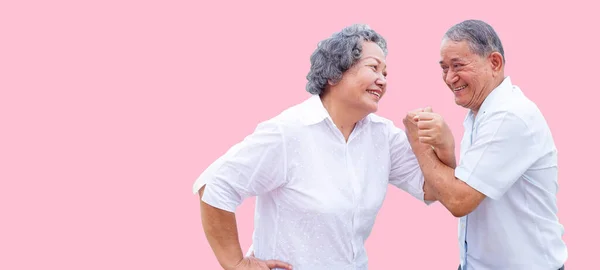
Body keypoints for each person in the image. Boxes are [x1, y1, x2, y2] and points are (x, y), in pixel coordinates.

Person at [193, 24, 454, 270]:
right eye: (373, 67)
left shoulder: (383, 135)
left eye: (385, 73)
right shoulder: (288, 132)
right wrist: (235, 263)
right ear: (334, 73)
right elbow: (215, 185)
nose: (383, 80)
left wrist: (444, 145)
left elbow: (434, 190)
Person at [402, 20, 568, 270]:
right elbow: (461, 186)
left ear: (494, 63)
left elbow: (460, 200)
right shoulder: (481, 113)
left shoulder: (508, 116)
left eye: (457, 65)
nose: (449, 77)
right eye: (444, 67)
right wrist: (446, 148)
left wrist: (419, 143)